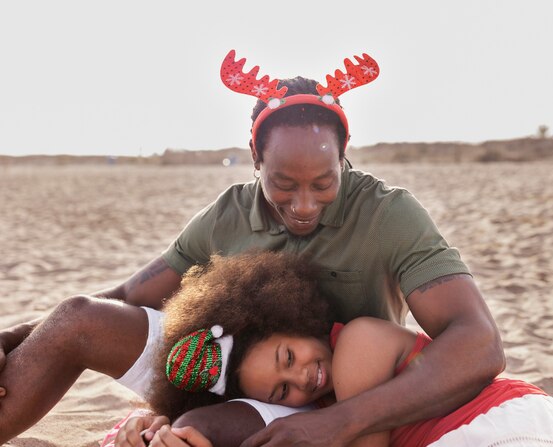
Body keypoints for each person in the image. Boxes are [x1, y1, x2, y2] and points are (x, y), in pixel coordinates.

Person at [0, 50, 505, 446]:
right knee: (79, 317)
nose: (305, 204)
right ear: (255, 160)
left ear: (343, 156)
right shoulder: (228, 213)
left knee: (201, 429)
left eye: (324, 183)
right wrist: (16, 338)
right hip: (226, 361)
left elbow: (479, 342)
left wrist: (343, 424)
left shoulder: (388, 214)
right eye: (284, 184)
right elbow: (131, 295)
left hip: (326, 397)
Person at [112, 251, 553, 447]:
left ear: (293, 322)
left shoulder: (358, 345)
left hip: (509, 431)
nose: (303, 378)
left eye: (289, 357)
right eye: (282, 391)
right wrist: (152, 424)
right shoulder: (328, 401)